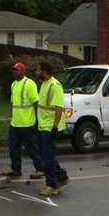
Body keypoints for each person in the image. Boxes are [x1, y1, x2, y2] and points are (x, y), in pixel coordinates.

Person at [2, 61, 44, 181]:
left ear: (23, 71)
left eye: (17, 70)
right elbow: (13, 103)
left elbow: (36, 103)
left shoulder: (29, 84)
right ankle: (16, 170)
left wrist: (37, 120)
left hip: (27, 124)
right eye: (14, 70)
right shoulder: (14, 84)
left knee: (32, 148)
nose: (14, 72)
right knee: (13, 148)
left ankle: (40, 169)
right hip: (15, 123)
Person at [36, 62, 70, 197]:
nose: (36, 71)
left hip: (50, 126)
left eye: (38, 69)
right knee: (46, 155)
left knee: (47, 157)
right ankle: (62, 177)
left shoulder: (55, 86)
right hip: (43, 125)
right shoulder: (44, 84)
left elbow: (59, 108)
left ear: (44, 71)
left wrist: (55, 127)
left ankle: (52, 185)